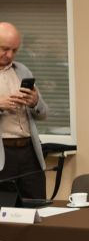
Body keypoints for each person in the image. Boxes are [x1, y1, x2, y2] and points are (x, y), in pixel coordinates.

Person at [0, 22, 49, 201]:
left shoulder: (22, 70)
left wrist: (34, 102)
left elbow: (43, 113)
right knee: (5, 209)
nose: (10, 55)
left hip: (29, 151)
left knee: (38, 204)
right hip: (3, 154)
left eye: (14, 50)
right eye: (5, 49)